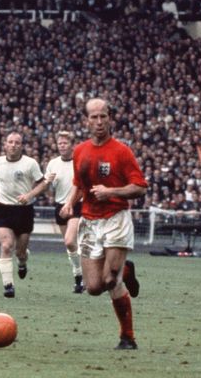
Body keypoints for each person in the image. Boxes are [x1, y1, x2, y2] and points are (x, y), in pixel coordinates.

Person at [60, 98, 148, 350]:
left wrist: (112, 192)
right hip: (89, 221)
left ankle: (127, 337)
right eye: (94, 117)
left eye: (103, 117)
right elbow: (79, 184)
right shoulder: (80, 151)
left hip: (116, 220)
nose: (99, 122)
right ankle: (127, 271)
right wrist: (69, 203)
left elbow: (140, 187)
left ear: (110, 118)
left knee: (110, 280)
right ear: (86, 120)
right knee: (94, 288)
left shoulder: (122, 151)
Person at [0, 131, 51, 298]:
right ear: (5, 144)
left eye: (17, 142)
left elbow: (43, 184)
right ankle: (8, 286)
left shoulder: (30, 164)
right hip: (3, 209)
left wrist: (29, 195)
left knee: (20, 252)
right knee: (6, 245)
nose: (13, 145)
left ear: (21, 146)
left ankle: (22, 262)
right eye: (10, 142)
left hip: (24, 210)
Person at [45, 131, 84, 294]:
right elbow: (47, 189)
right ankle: (79, 277)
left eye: (65, 143)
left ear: (72, 145)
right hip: (60, 206)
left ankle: (81, 276)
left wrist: (71, 203)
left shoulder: (79, 162)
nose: (61, 146)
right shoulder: (53, 164)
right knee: (70, 246)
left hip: (77, 205)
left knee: (70, 241)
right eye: (59, 143)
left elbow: (83, 187)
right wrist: (48, 183)